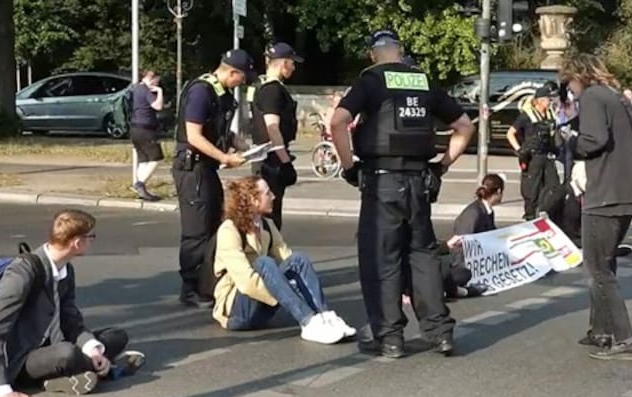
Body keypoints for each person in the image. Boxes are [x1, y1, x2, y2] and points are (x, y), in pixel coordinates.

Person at [330, 29, 475, 358]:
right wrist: (443, 165)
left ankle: (390, 336)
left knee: (382, 258)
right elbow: (465, 125)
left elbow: (338, 122)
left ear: (373, 54)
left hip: (381, 183)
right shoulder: (423, 80)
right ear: (400, 50)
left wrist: (349, 165)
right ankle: (440, 333)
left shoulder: (370, 82)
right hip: (419, 183)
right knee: (422, 257)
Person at [0, 209, 144, 397]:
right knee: (67, 353)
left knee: (116, 336)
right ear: (77, 242)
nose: (92, 241)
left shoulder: (66, 269)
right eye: (91, 237)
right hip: (18, 360)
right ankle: (104, 367)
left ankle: (76, 371)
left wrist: (94, 351)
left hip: (51, 344)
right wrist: (1, 388)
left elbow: (70, 318)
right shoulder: (22, 272)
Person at [561, 53, 632, 361]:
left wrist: (570, 140)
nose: (570, 89)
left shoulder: (594, 97)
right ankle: (601, 329)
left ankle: (623, 338)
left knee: (597, 269)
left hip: (605, 193)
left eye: (569, 81)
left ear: (579, 76)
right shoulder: (616, 96)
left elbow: (594, 140)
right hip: (626, 190)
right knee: (604, 263)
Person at [212, 176, 356, 343]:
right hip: (236, 312)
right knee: (264, 262)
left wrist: (292, 287)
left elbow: (287, 259)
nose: (273, 196)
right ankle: (308, 322)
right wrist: (285, 295)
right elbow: (246, 283)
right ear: (254, 200)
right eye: (268, 193)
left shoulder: (267, 225)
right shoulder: (229, 230)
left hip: (262, 305)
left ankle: (324, 317)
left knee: (298, 259)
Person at [172, 50, 252, 309]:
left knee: (214, 222)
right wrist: (225, 158)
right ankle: (190, 287)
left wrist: (237, 145)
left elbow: (218, 130)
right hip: (192, 169)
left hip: (206, 169)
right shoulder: (202, 91)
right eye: (242, 77)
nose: (242, 83)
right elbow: (193, 135)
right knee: (196, 229)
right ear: (231, 72)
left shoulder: (222, 94)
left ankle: (207, 282)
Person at [249, 42, 303, 230]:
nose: (294, 68)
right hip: (270, 160)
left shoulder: (264, 86)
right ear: (284, 63)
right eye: (292, 63)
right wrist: (285, 161)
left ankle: (269, 254)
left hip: (267, 157)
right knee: (269, 214)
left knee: (269, 213)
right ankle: (268, 257)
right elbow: (272, 128)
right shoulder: (272, 90)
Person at [442, 173, 505, 297]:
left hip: (478, 262)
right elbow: (461, 243)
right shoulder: (473, 213)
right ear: (498, 191)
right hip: (462, 264)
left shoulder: (487, 210)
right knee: (465, 275)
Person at [506, 83, 561, 220]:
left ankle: (547, 213)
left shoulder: (550, 114)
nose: (551, 101)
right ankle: (530, 216)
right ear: (540, 100)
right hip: (532, 157)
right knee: (532, 190)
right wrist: (519, 150)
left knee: (554, 187)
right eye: (549, 99)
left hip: (547, 156)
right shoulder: (526, 116)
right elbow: (510, 133)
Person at [129, 69, 165, 201]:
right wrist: (159, 92)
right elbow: (158, 106)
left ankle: (138, 186)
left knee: (143, 159)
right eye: (157, 80)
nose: (158, 82)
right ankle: (140, 184)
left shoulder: (136, 88)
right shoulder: (145, 90)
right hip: (146, 129)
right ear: (152, 78)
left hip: (135, 128)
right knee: (156, 158)